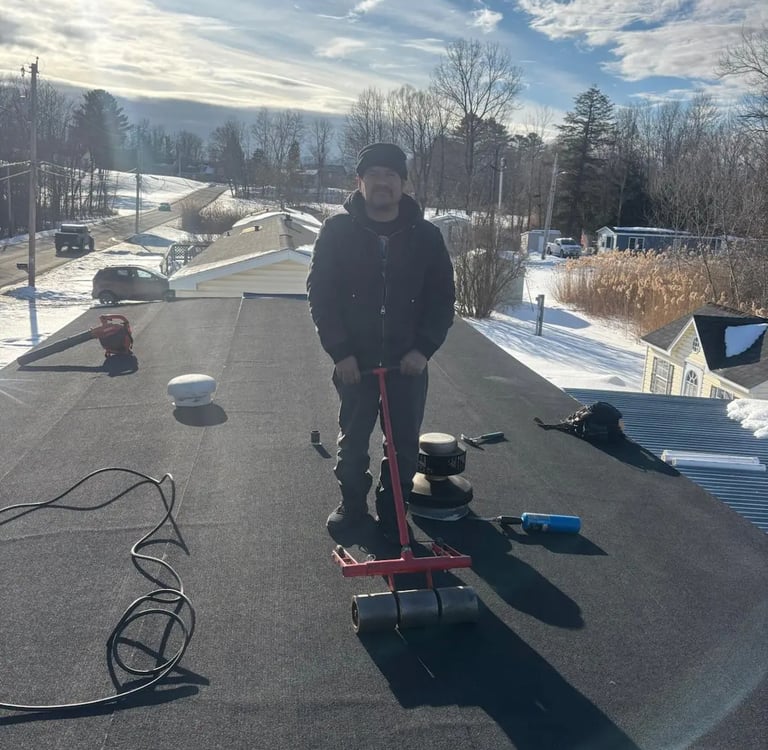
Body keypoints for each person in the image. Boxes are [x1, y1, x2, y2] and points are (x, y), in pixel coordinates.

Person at [307, 142, 455, 542]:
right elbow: (321, 296)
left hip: (407, 364)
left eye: (391, 175)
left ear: (403, 183)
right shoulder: (337, 231)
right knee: (353, 443)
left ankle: (393, 514)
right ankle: (353, 507)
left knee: (403, 447)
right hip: (355, 364)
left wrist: (423, 349)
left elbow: (442, 300)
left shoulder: (426, 236)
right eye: (374, 174)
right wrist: (340, 353)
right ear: (360, 182)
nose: (382, 182)